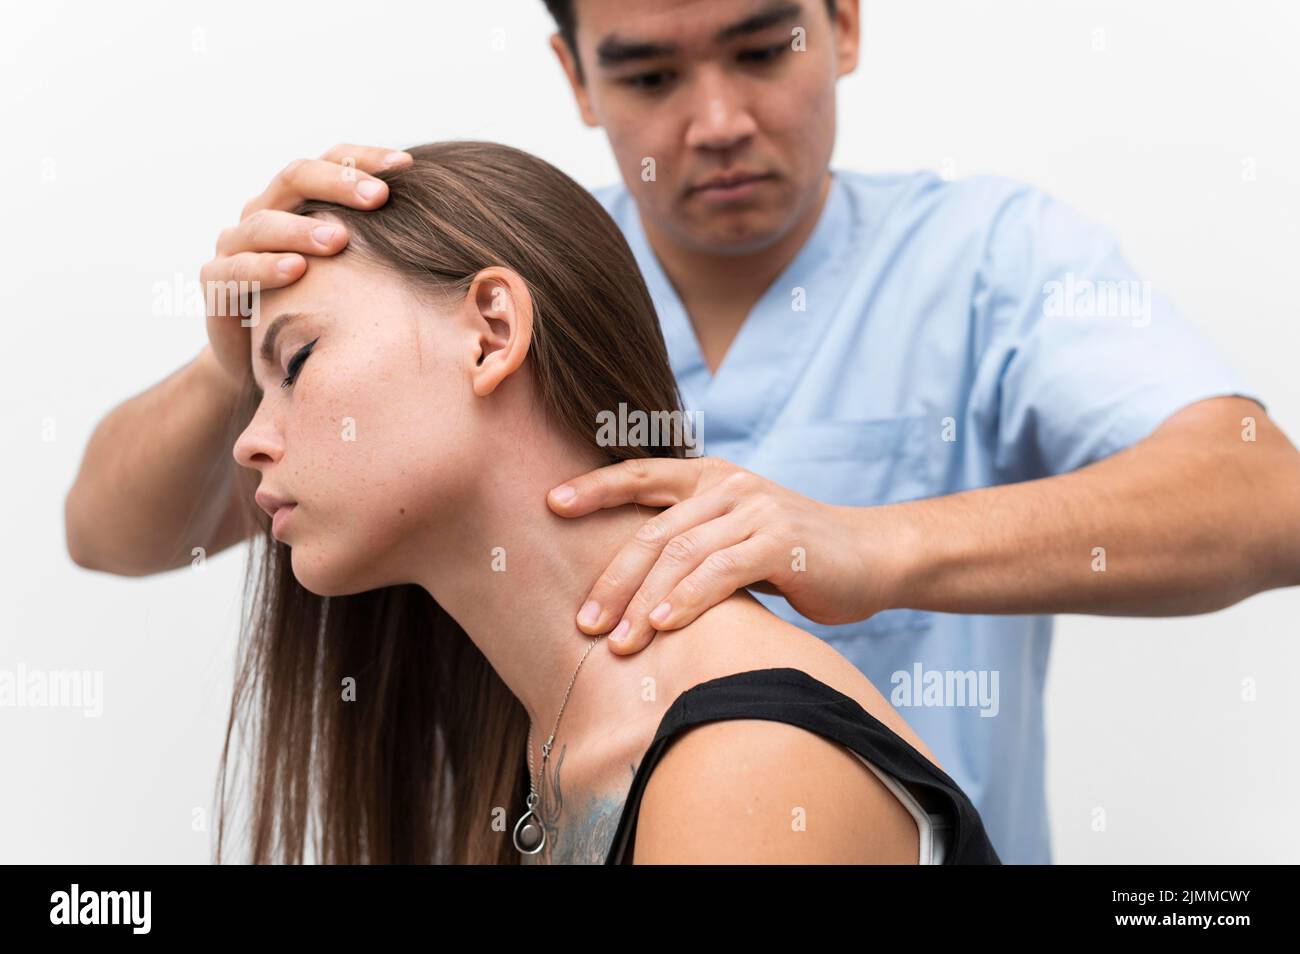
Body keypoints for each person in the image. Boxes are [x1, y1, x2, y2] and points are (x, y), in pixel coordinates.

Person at [64, 1, 1300, 863]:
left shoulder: (991, 261)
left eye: (763, 48)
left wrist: (873, 550)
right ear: (575, 76)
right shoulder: (504, 267)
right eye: (650, 74)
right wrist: (243, 351)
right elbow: (112, 534)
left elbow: (1267, 500)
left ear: (848, 23)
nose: (713, 121)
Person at [216, 138, 1000, 864]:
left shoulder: (741, 762)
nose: (250, 440)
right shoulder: (556, 744)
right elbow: (97, 533)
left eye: (298, 359)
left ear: (491, 332)